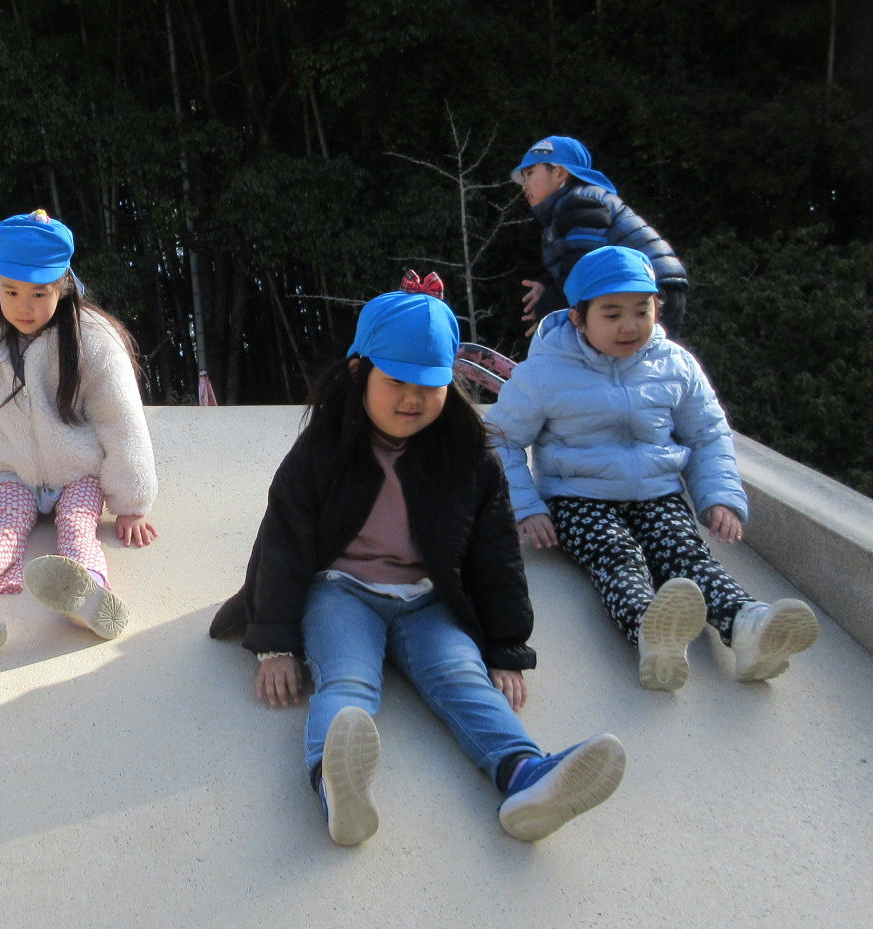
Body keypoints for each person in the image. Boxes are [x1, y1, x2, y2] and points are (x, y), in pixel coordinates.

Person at [210, 278, 626, 847]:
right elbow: (282, 540)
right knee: (348, 679)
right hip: (342, 589)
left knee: (464, 677)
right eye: (397, 382)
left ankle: (525, 777)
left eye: (430, 386)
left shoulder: (468, 455)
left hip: (430, 597)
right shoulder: (324, 448)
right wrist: (275, 642)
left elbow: (495, 551)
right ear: (359, 371)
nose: (413, 399)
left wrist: (506, 646)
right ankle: (335, 782)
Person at [488, 245, 819, 690]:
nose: (630, 326)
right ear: (578, 319)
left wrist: (718, 496)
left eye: (642, 311)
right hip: (579, 498)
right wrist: (527, 507)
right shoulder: (545, 372)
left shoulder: (675, 364)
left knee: (686, 555)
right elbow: (501, 438)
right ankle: (652, 633)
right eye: (612, 314)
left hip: (658, 493)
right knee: (617, 557)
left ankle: (749, 628)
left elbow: (707, 433)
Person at [0, 211, 158, 658]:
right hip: (14, 469)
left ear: (62, 286)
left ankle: (90, 592)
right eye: (11, 291)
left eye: (39, 293)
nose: (23, 306)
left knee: (78, 526)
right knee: (3, 528)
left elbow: (120, 420)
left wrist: (130, 503)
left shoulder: (93, 340)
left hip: (78, 471)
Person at [512, 135, 690, 339]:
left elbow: (580, 268)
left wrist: (545, 312)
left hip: (649, 285)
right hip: (648, 282)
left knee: (638, 353)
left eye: (530, 173)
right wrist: (546, 285)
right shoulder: (569, 207)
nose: (524, 185)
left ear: (560, 173)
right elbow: (575, 258)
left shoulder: (581, 201)